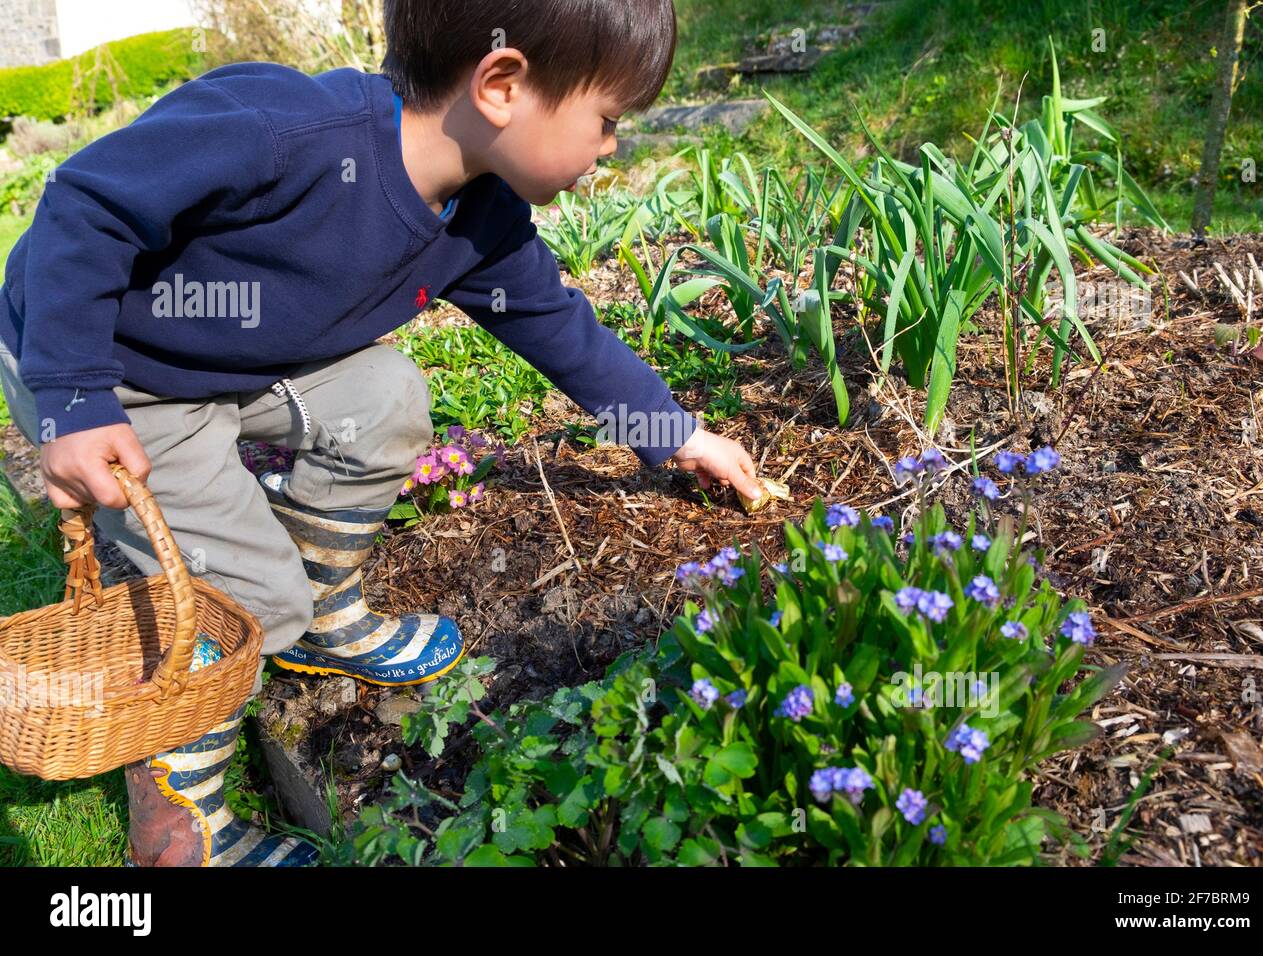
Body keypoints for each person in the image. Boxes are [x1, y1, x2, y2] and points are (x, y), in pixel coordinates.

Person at [0, 0, 760, 866]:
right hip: (112, 375)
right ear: (503, 84)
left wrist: (677, 434)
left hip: (228, 367)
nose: (611, 147)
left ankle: (320, 617)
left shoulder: (481, 220)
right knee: (251, 596)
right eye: (609, 120)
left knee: (387, 393)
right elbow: (85, 204)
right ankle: (180, 823)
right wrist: (73, 399)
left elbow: (557, 326)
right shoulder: (282, 130)